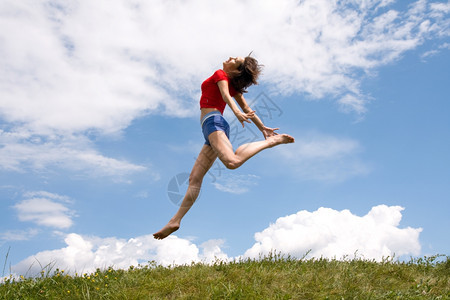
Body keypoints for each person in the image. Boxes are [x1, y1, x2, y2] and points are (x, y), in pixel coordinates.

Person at [153, 54, 294, 240]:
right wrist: (263, 128)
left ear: (236, 70)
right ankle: (175, 220)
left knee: (232, 161)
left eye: (235, 59)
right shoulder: (230, 83)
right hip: (210, 129)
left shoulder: (221, 74)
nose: (230, 57)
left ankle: (271, 143)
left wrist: (242, 117)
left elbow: (231, 100)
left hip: (214, 122)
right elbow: (247, 109)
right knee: (194, 178)